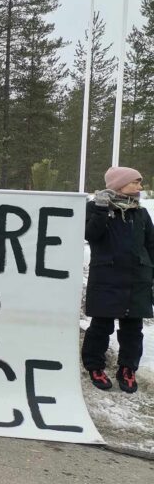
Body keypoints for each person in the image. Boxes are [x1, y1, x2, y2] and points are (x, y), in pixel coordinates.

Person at [83, 166, 154, 394]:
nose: (139, 187)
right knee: (101, 326)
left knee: (133, 328)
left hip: (137, 279)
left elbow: (151, 245)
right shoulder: (95, 207)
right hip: (107, 278)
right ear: (119, 184)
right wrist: (102, 209)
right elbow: (91, 235)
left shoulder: (140, 213)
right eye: (135, 182)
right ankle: (95, 367)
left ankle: (127, 369)